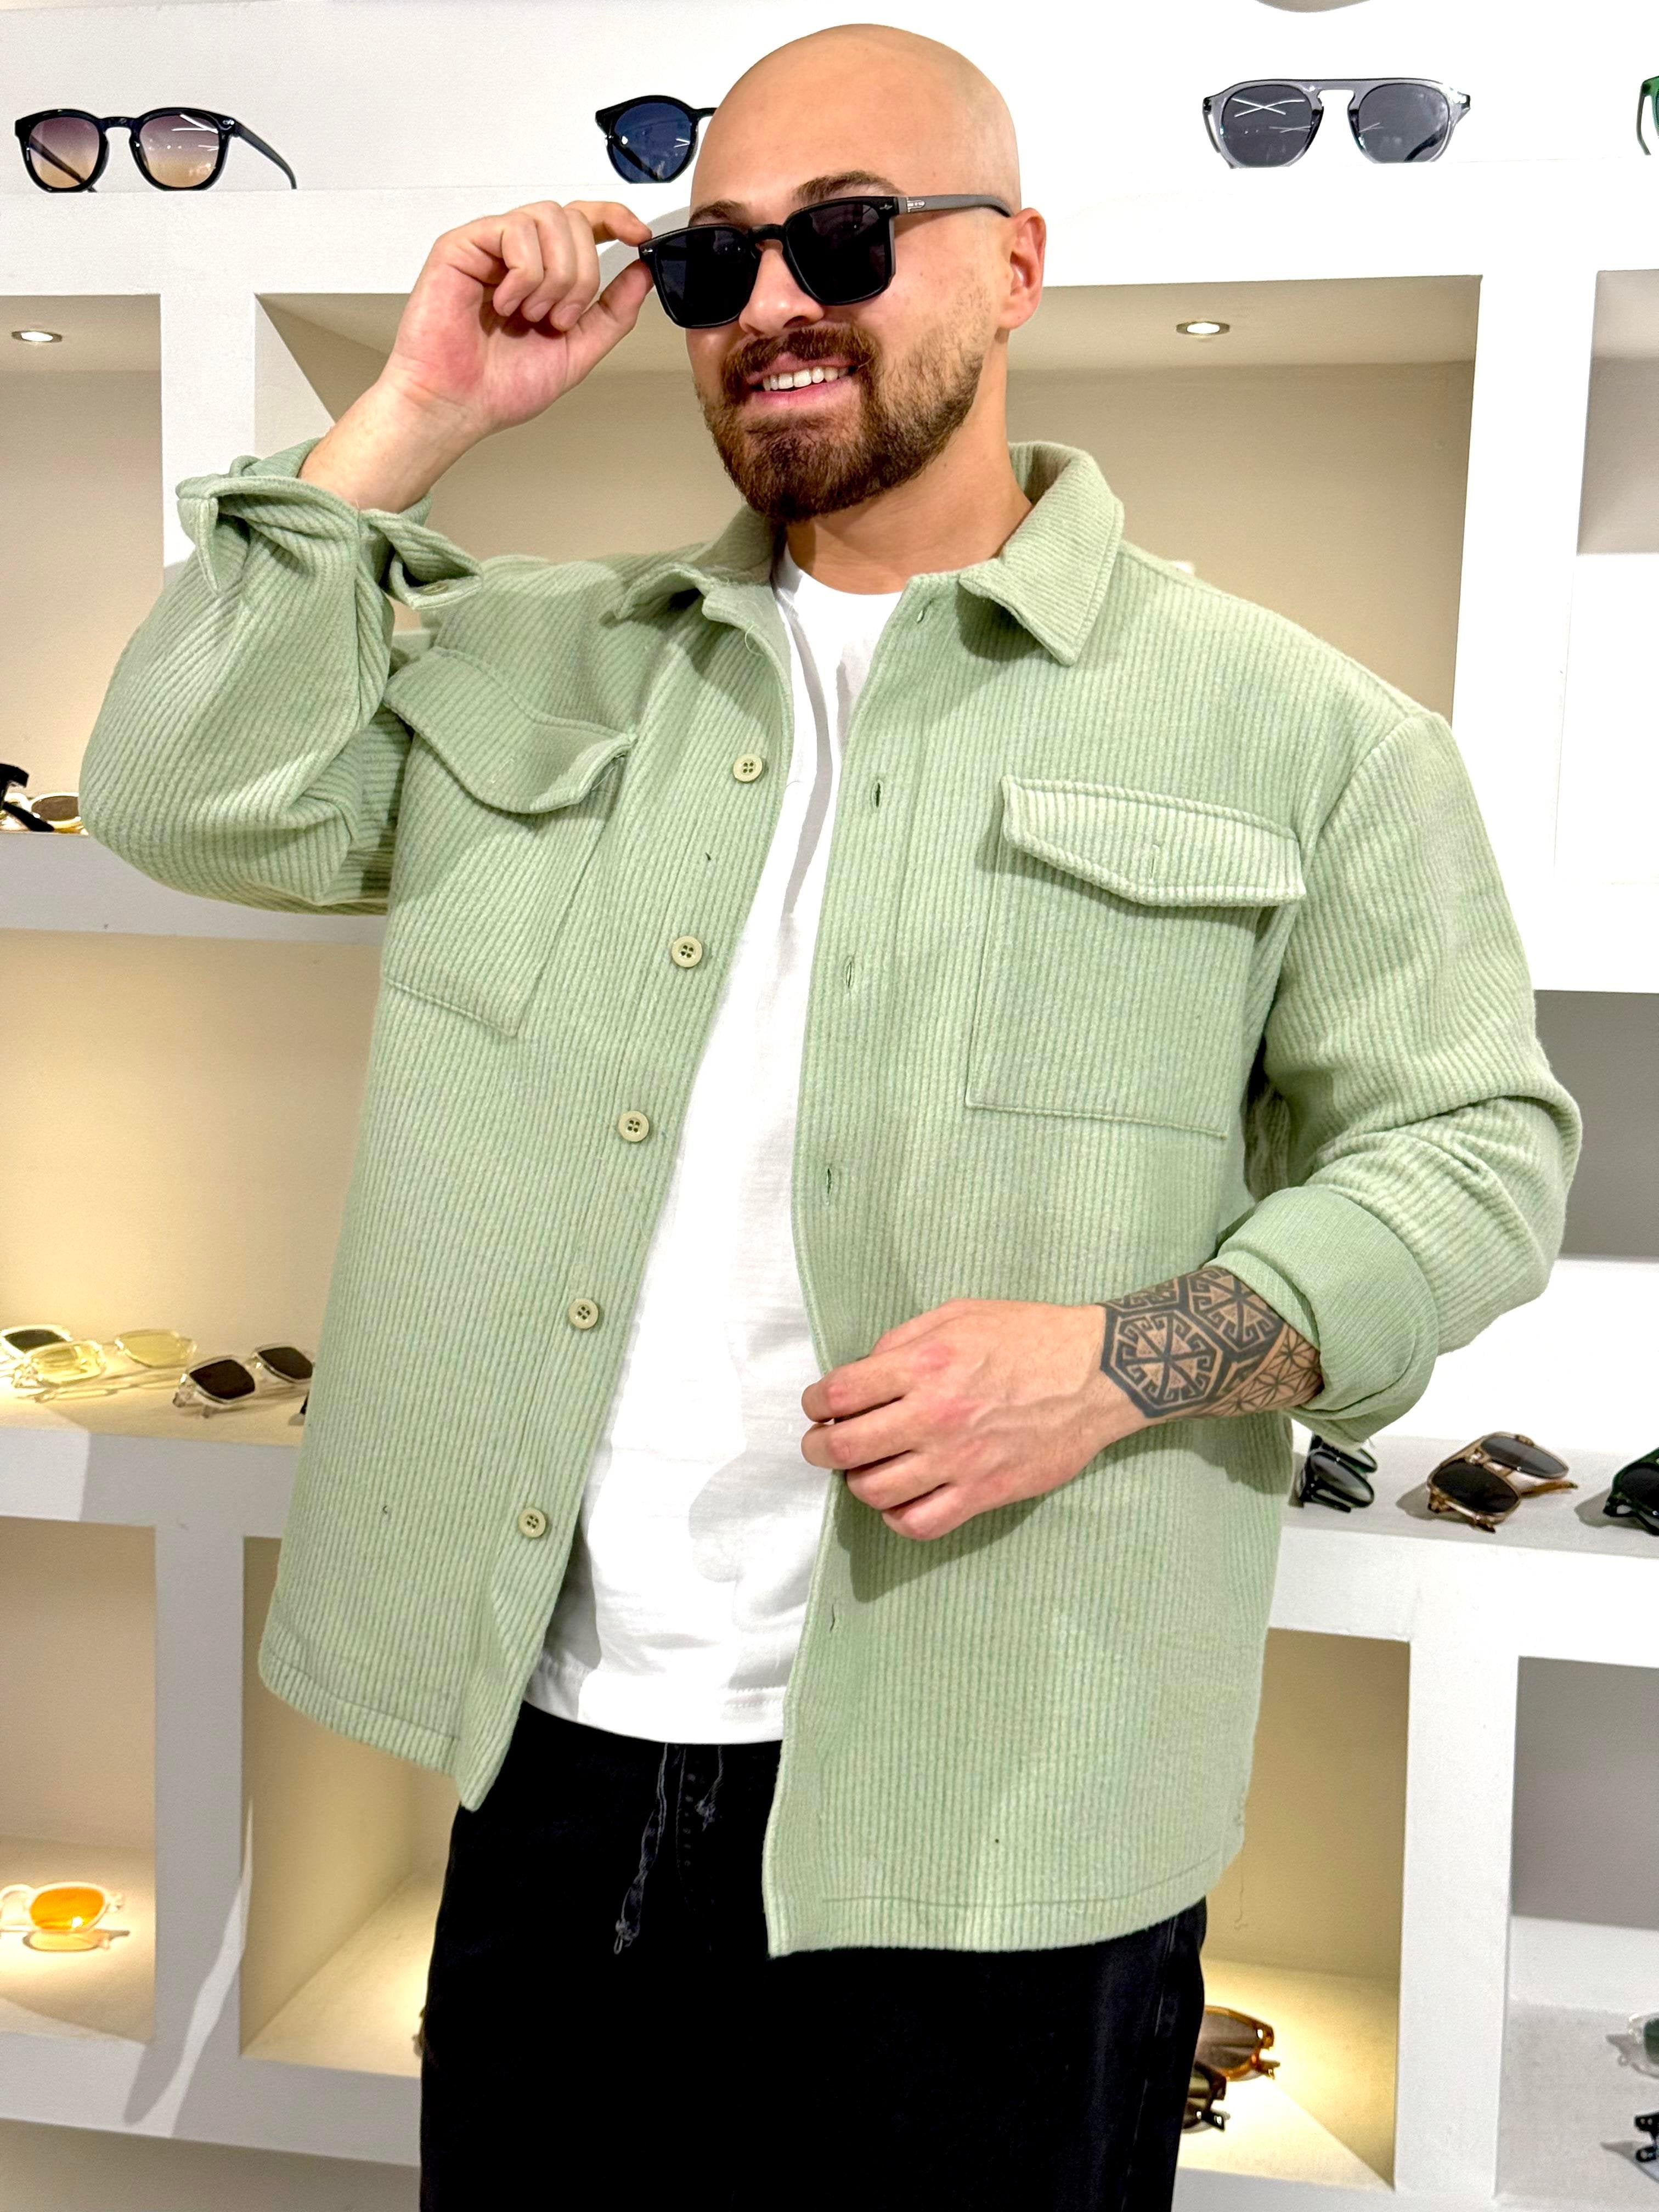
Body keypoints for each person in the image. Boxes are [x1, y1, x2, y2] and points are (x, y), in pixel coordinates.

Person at [76, 21, 1581, 2211]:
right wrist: (414, 416)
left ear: (1016, 264)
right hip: (556, 1772)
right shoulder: (527, 659)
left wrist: (1119, 1361)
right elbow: (182, 793)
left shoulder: (1309, 735)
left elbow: (1477, 1159)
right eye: (715, 261)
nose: (774, 299)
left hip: (1010, 1812)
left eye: (851, 236)